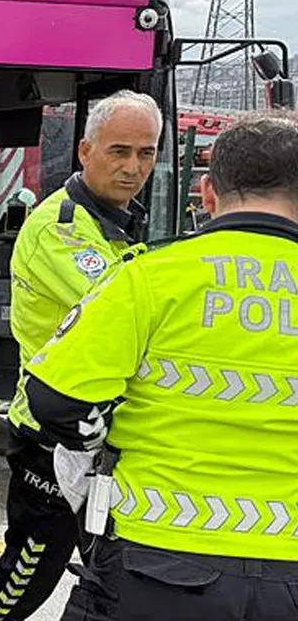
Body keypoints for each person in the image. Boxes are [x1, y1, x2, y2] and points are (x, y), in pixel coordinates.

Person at [24, 111, 298, 621]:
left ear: (208, 195)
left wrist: (95, 447)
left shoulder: (148, 277)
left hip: (155, 563)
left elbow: (55, 399)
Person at [0, 90, 160, 621]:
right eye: (119, 151)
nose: (133, 166)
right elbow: (132, 320)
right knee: (24, 578)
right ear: (85, 152)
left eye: (146, 152)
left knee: (107, 573)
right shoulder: (63, 228)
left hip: (97, 435)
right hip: (53, 436)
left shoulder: (116, 221)